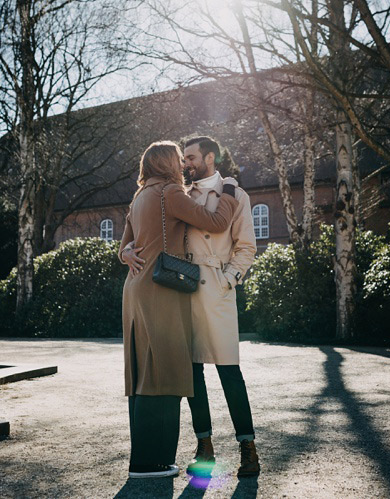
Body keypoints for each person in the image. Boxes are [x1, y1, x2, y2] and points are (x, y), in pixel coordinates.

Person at [122, 135, 260, 477]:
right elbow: (138, 234)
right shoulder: (177, 194)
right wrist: (124, 251)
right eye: (182, 158)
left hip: (215, 290)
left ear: (210, 158)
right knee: (191, 374)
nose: (186, 163)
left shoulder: (235, 194)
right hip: (179, 291)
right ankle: (205, 447)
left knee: (229, 371)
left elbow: (245, 246)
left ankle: (248, 448)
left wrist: (228, 279)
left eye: (192, 157)